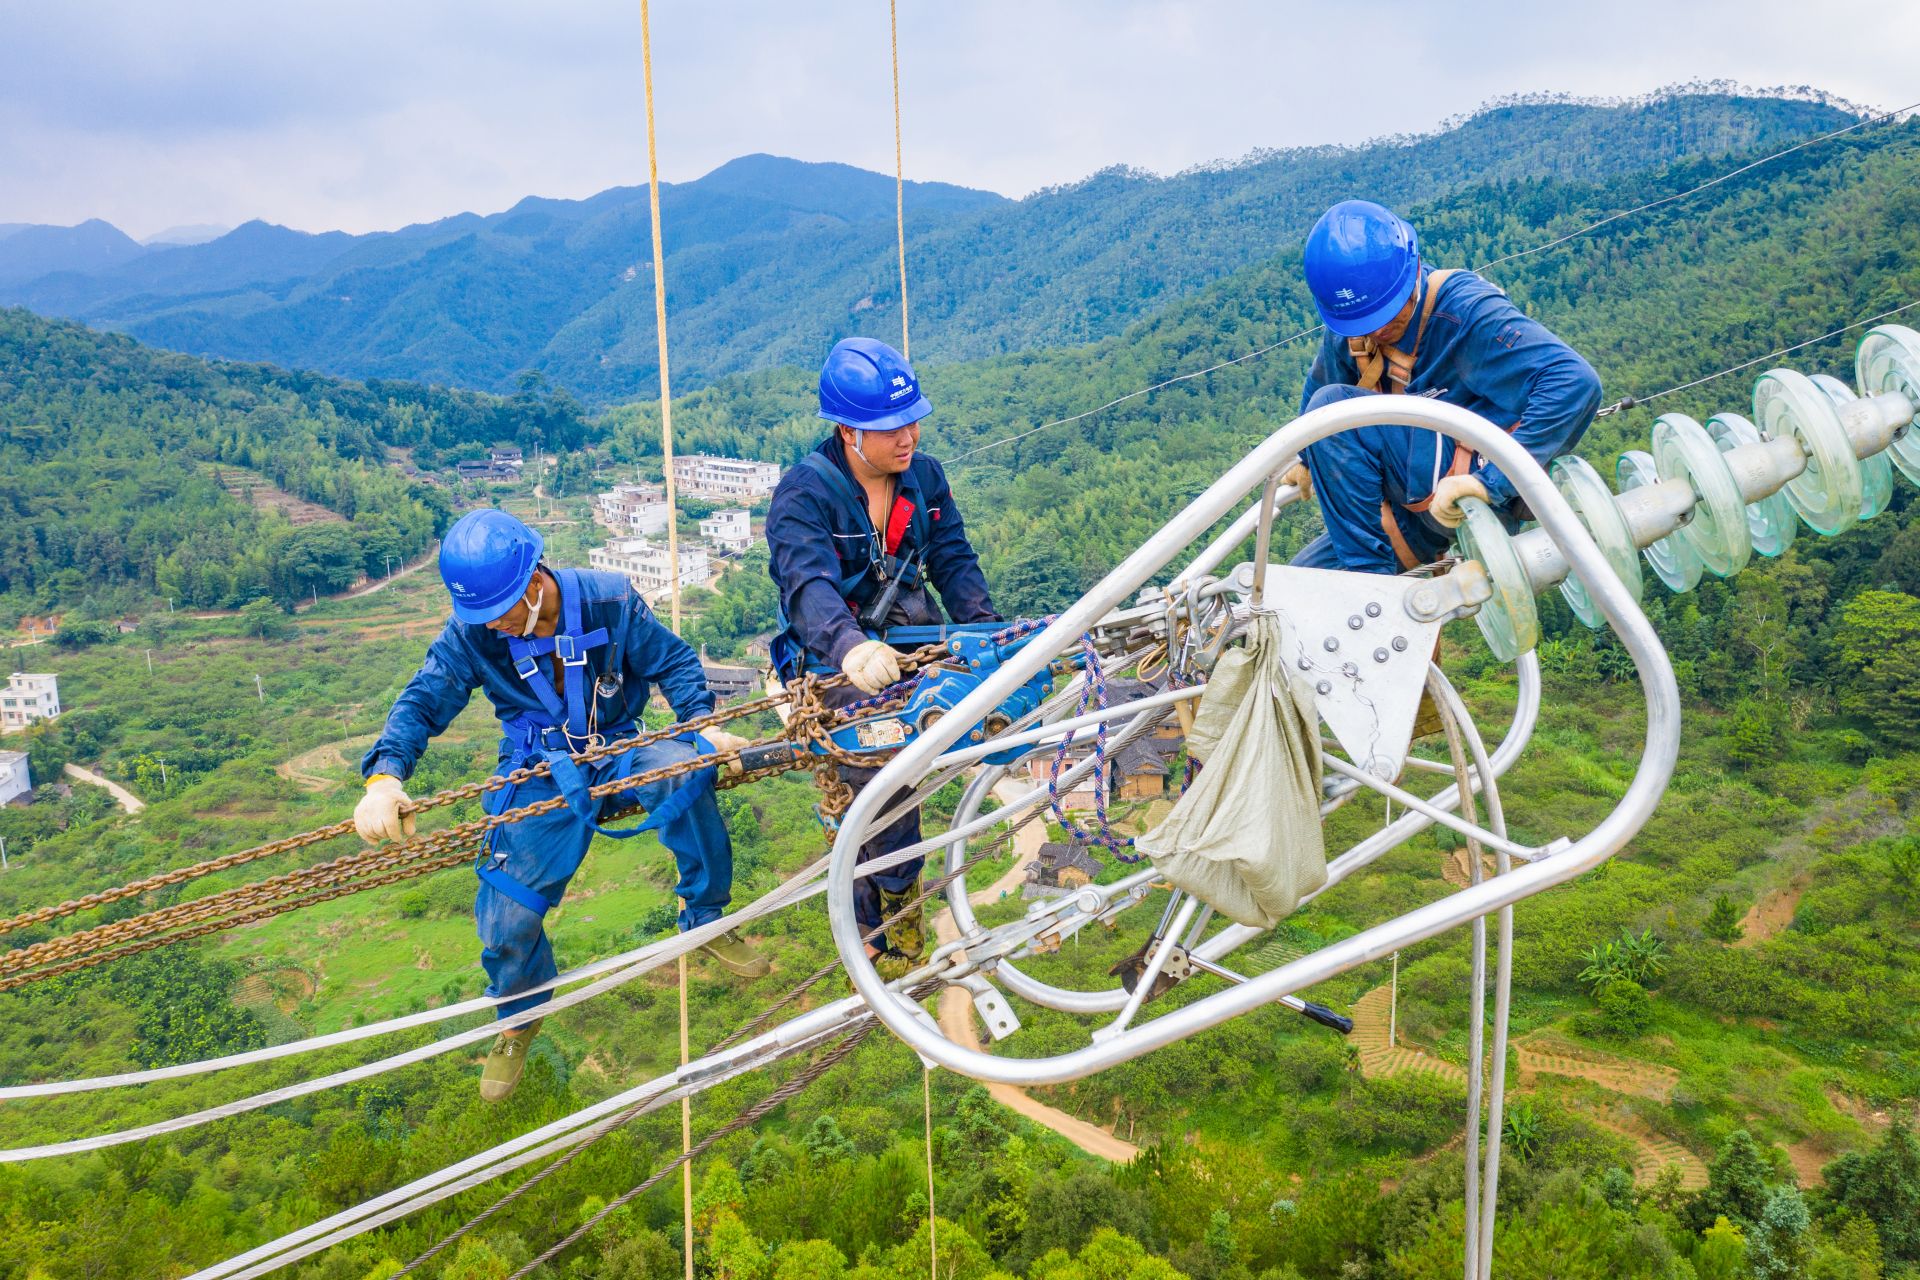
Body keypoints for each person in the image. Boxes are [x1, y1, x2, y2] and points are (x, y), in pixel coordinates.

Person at [354, 508, 767, 1101]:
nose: (491, 627)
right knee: (505, 914)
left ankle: (705, 917)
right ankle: (520, 1015)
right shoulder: (473, 632)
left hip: (622, 742)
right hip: (536, 763)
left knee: (687, 776)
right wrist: (385, 777)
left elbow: (673, 662)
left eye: (496, 612)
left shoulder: (609, 600)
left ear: (531, 585)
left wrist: (703, 728)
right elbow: (424, 699)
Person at [765, 336, 999, 978]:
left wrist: (990, 638)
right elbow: (807, 587)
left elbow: (953, 561)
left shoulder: (923, 479)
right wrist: (848, 647)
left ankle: (892, 899)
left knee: (946, 729)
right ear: (848, 432)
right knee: (878, 772)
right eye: (890, 427)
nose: (908, 437)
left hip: (910, 639)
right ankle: (886, 910)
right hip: (833, 656)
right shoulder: (803, 497)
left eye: (912, 420)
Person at [1285, 199, 1602, 575]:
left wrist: (1491, 482)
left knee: (1332, 409)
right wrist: (1306, 458)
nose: (1375, 330)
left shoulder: (1465, 311)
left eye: (1386, 315)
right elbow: (1321, 382)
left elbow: (1574, 382)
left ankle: (1369, 582)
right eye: (1362, 323)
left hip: (1470, 493)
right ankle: (1368, 581)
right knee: (1298, 581)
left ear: (1414, 269)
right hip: (1412, 508)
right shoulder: (1354, 327)